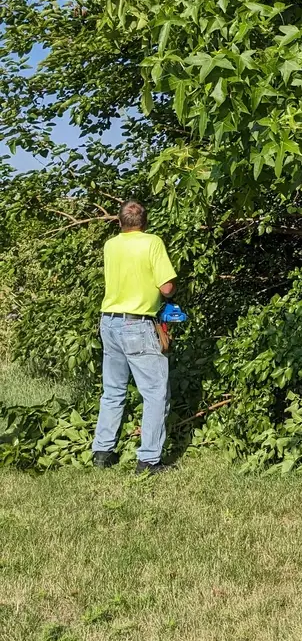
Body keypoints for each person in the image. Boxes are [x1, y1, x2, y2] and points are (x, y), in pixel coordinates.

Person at [91, 200, 177, 475]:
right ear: (146, 222)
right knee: (155, 393)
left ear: (119, 222)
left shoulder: (110, 245)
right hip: (137, 324)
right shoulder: (152, 243)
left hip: (109, 321)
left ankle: (103, 452)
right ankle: (149, 460)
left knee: (113, 390)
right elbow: (166, 287)